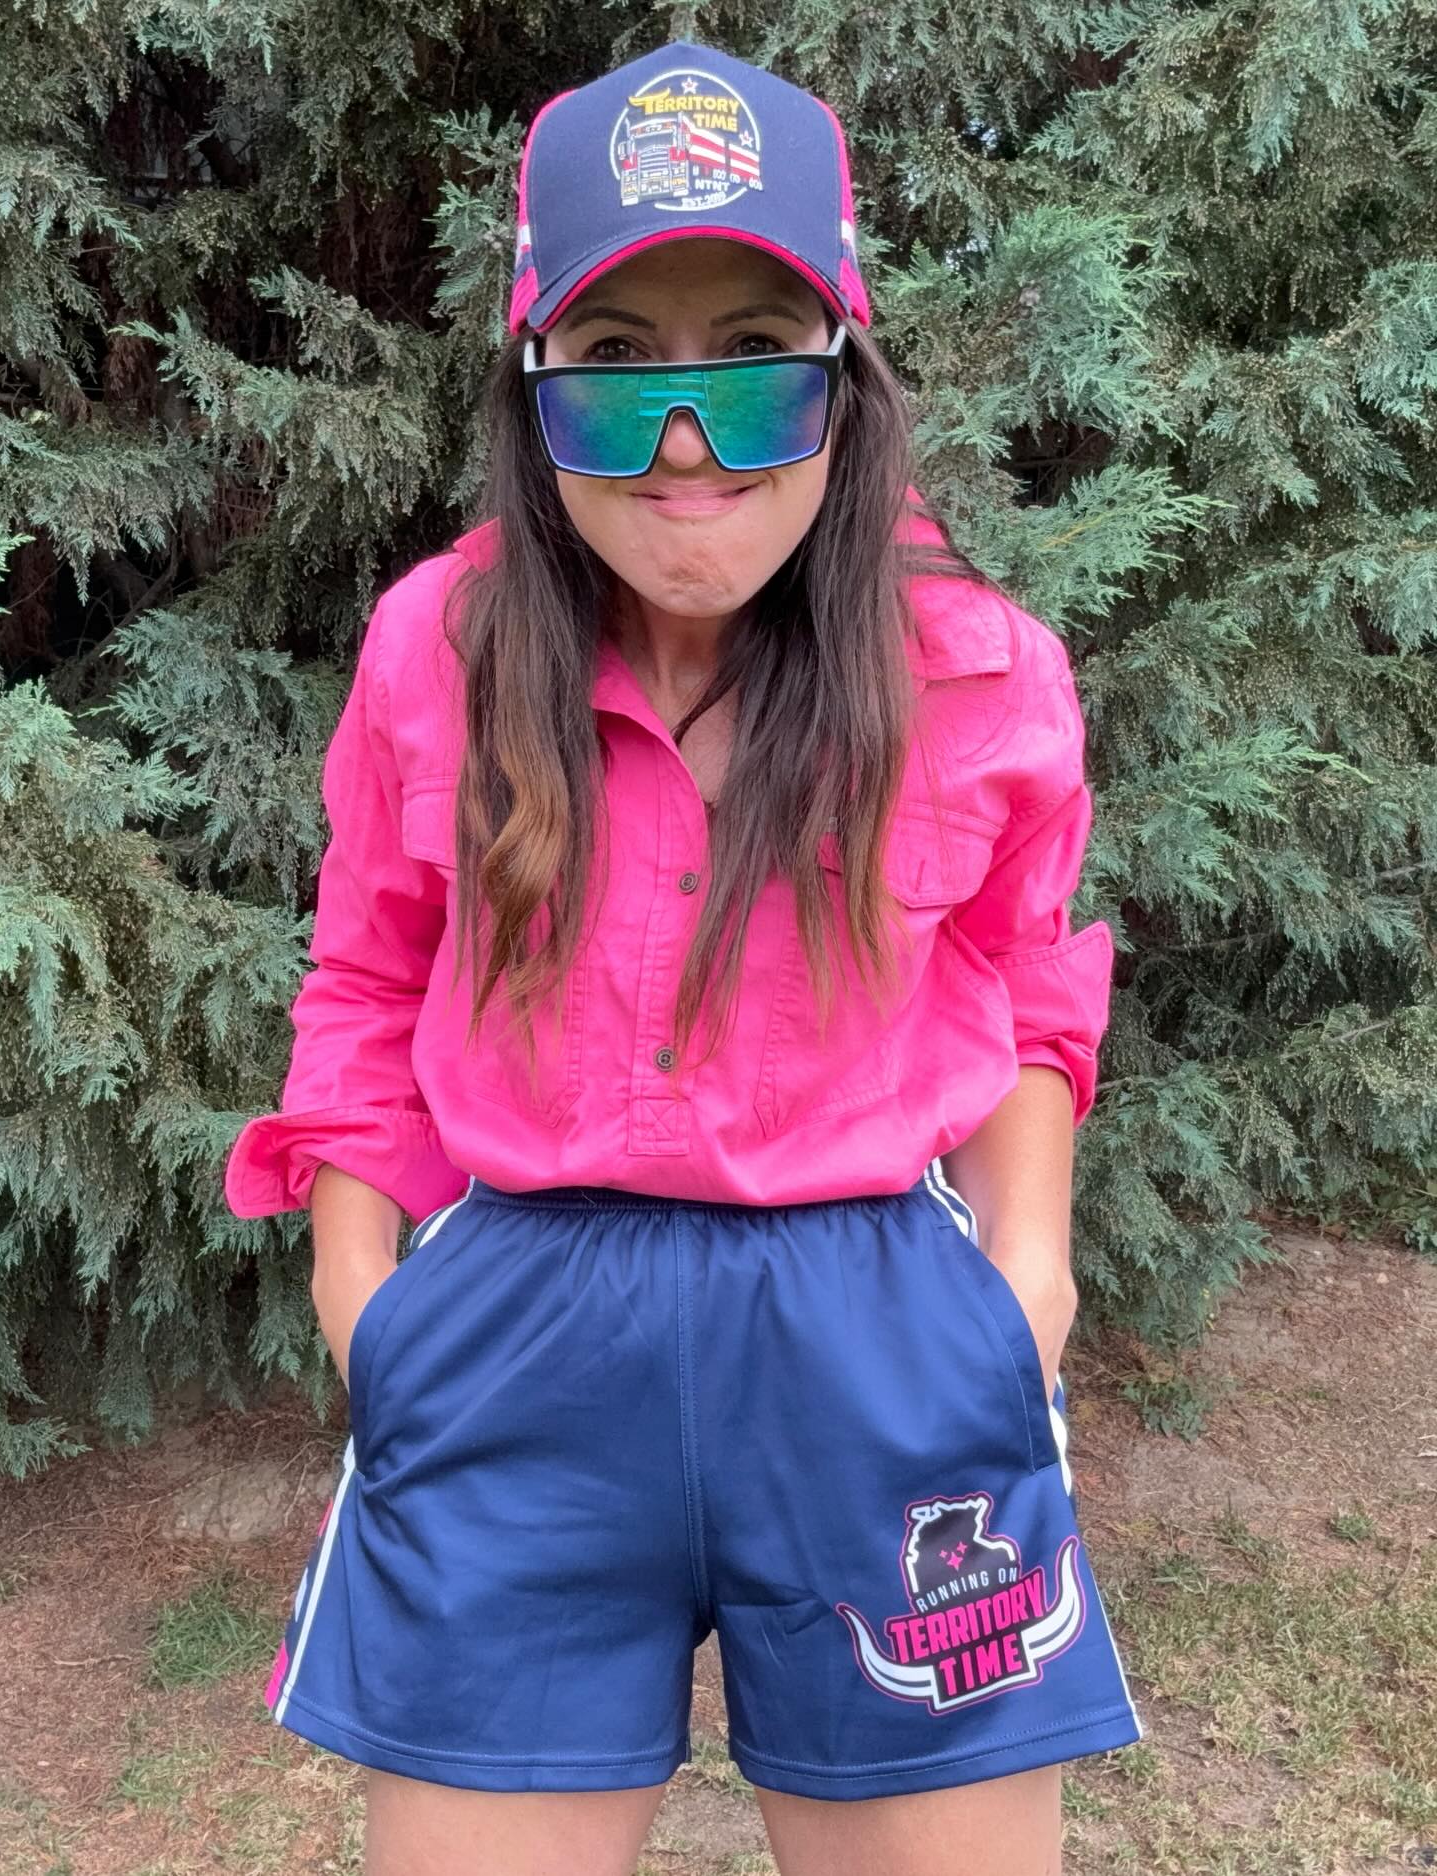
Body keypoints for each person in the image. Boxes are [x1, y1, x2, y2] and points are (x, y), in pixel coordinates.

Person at [224, 36, 1144, 1876]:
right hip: (519, 1354)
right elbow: (369, 985)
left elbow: (1026, 982)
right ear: (533, 381)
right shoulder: (436, 651)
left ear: (843, 375)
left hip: (884, 1352)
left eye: (752, 356)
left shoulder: (982, 670)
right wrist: (366, 1304)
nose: (686, 442)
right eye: (617, 365)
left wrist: (1025, 1278)